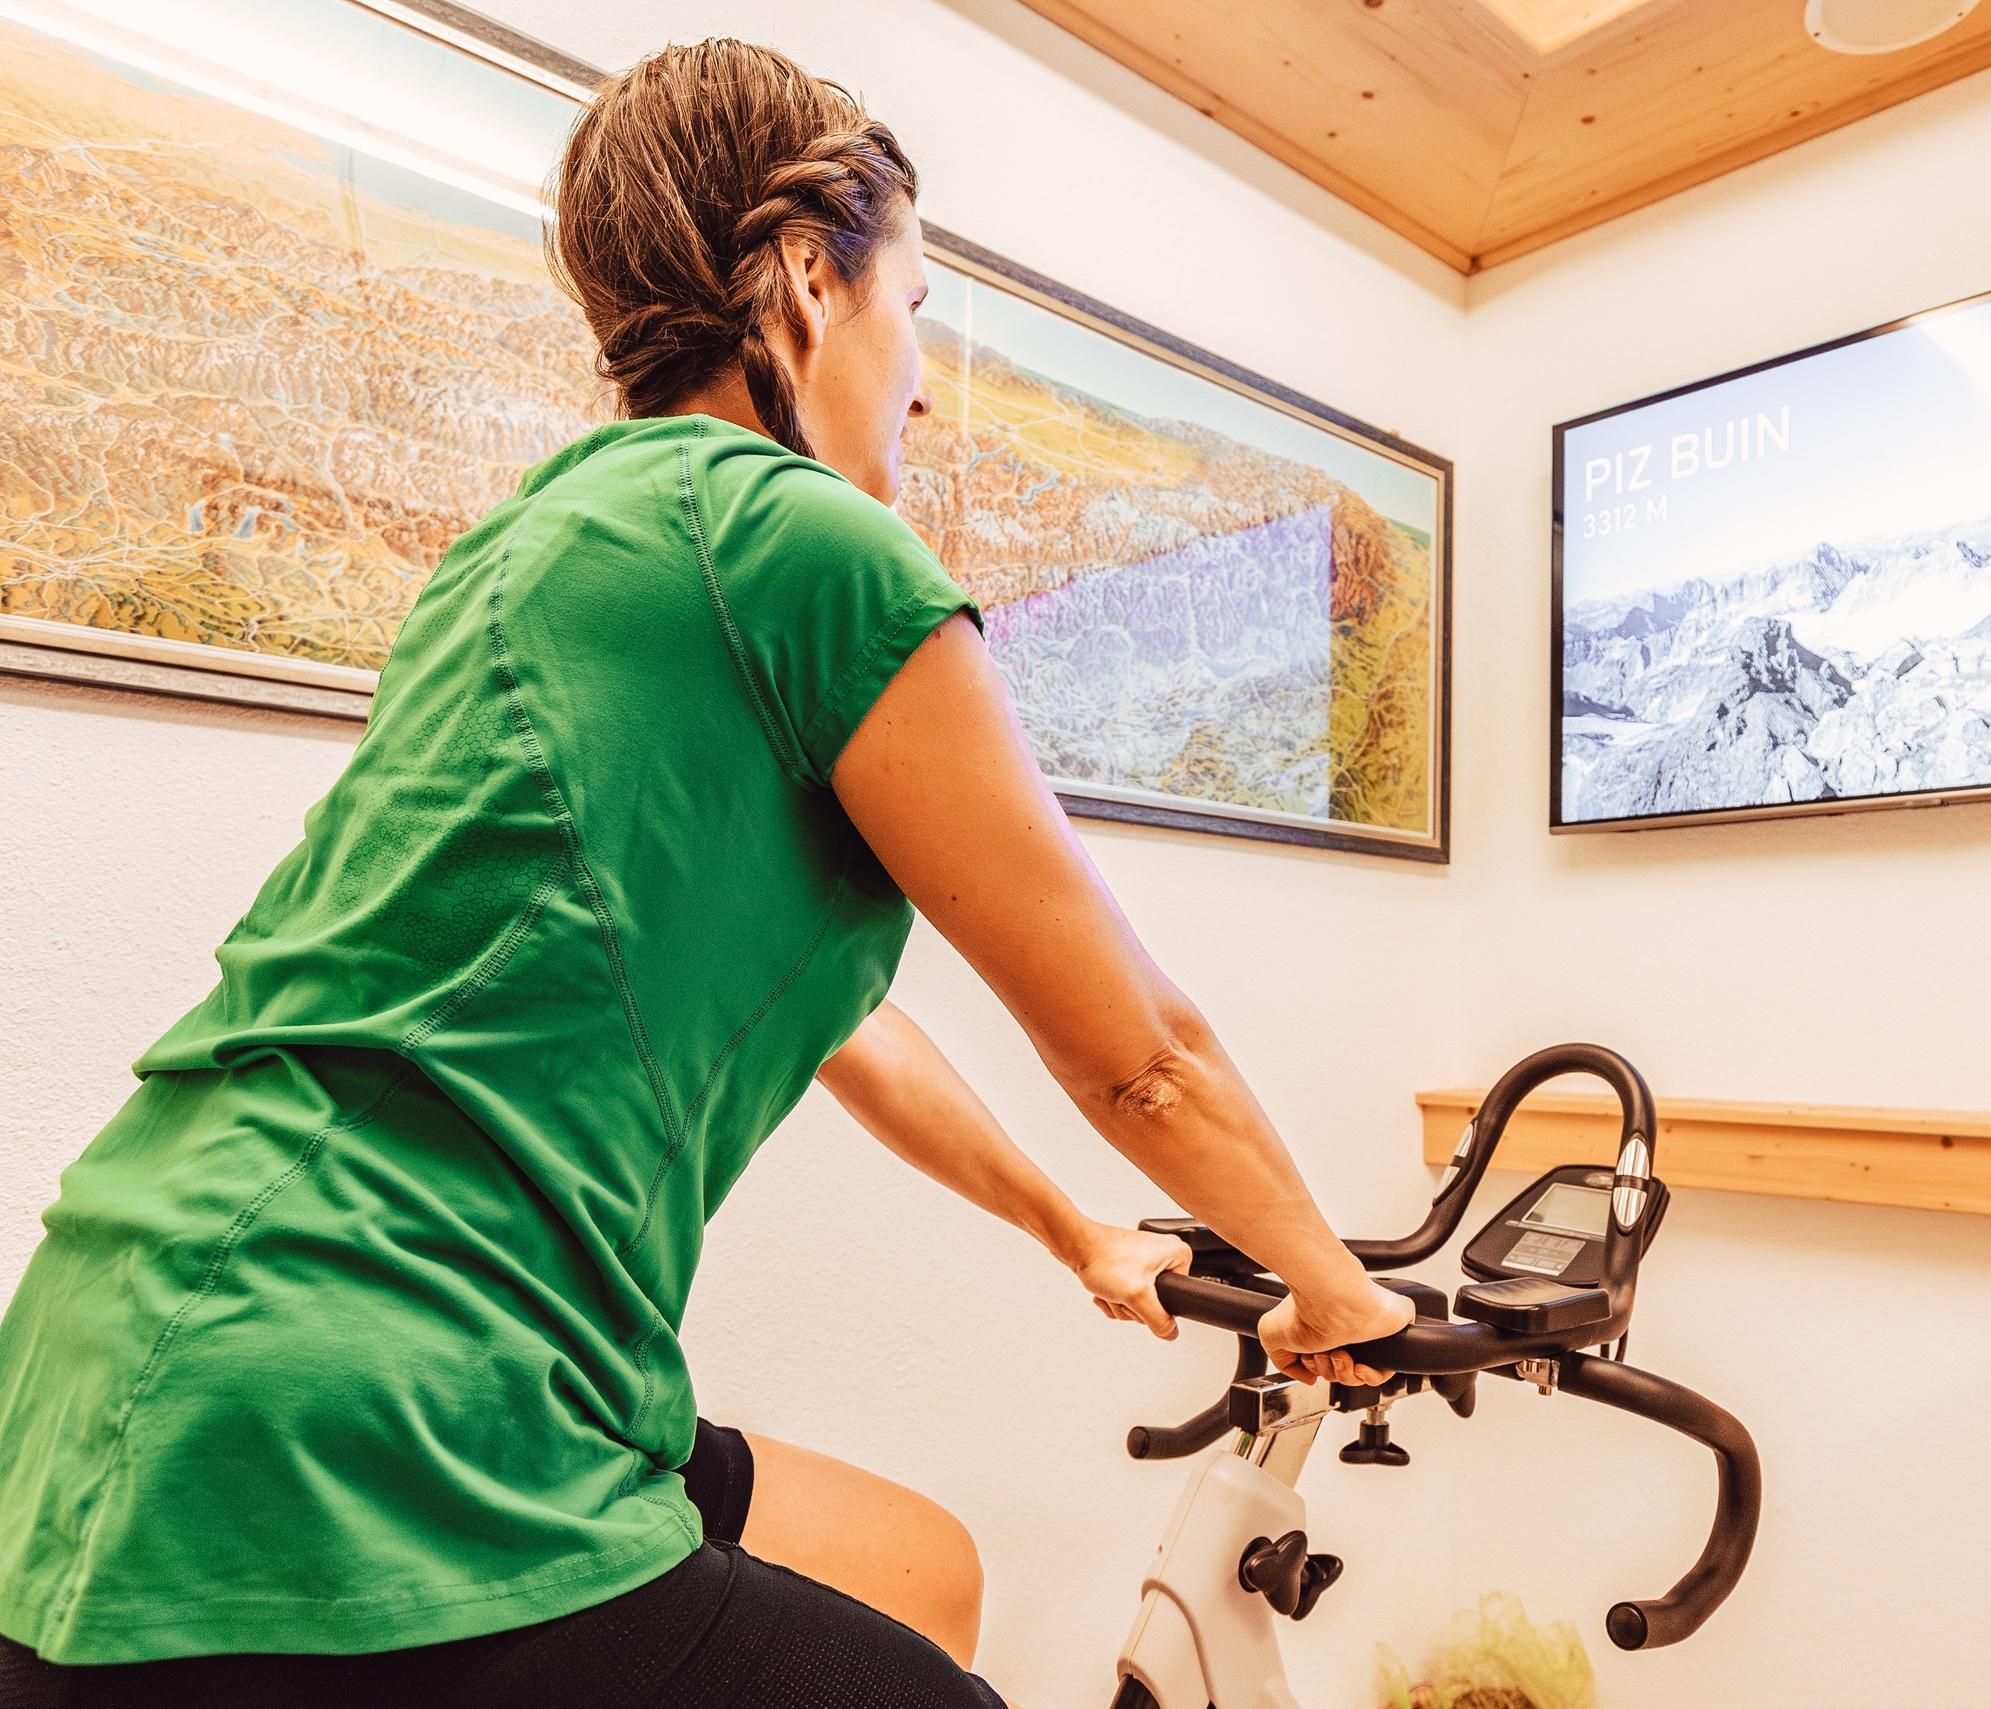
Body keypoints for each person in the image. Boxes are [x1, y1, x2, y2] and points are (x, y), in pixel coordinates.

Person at [0, 36, 1412, 1707]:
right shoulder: (811, 545)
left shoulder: (533, 547)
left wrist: (1072, 1228)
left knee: (921, 1567)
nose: (923, 384)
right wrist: (1341, 1293)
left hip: (96, 1362)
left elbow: (844, 1028)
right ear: (810, 282)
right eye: (914, 307)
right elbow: (1143, 1055)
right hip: (369, 1418)